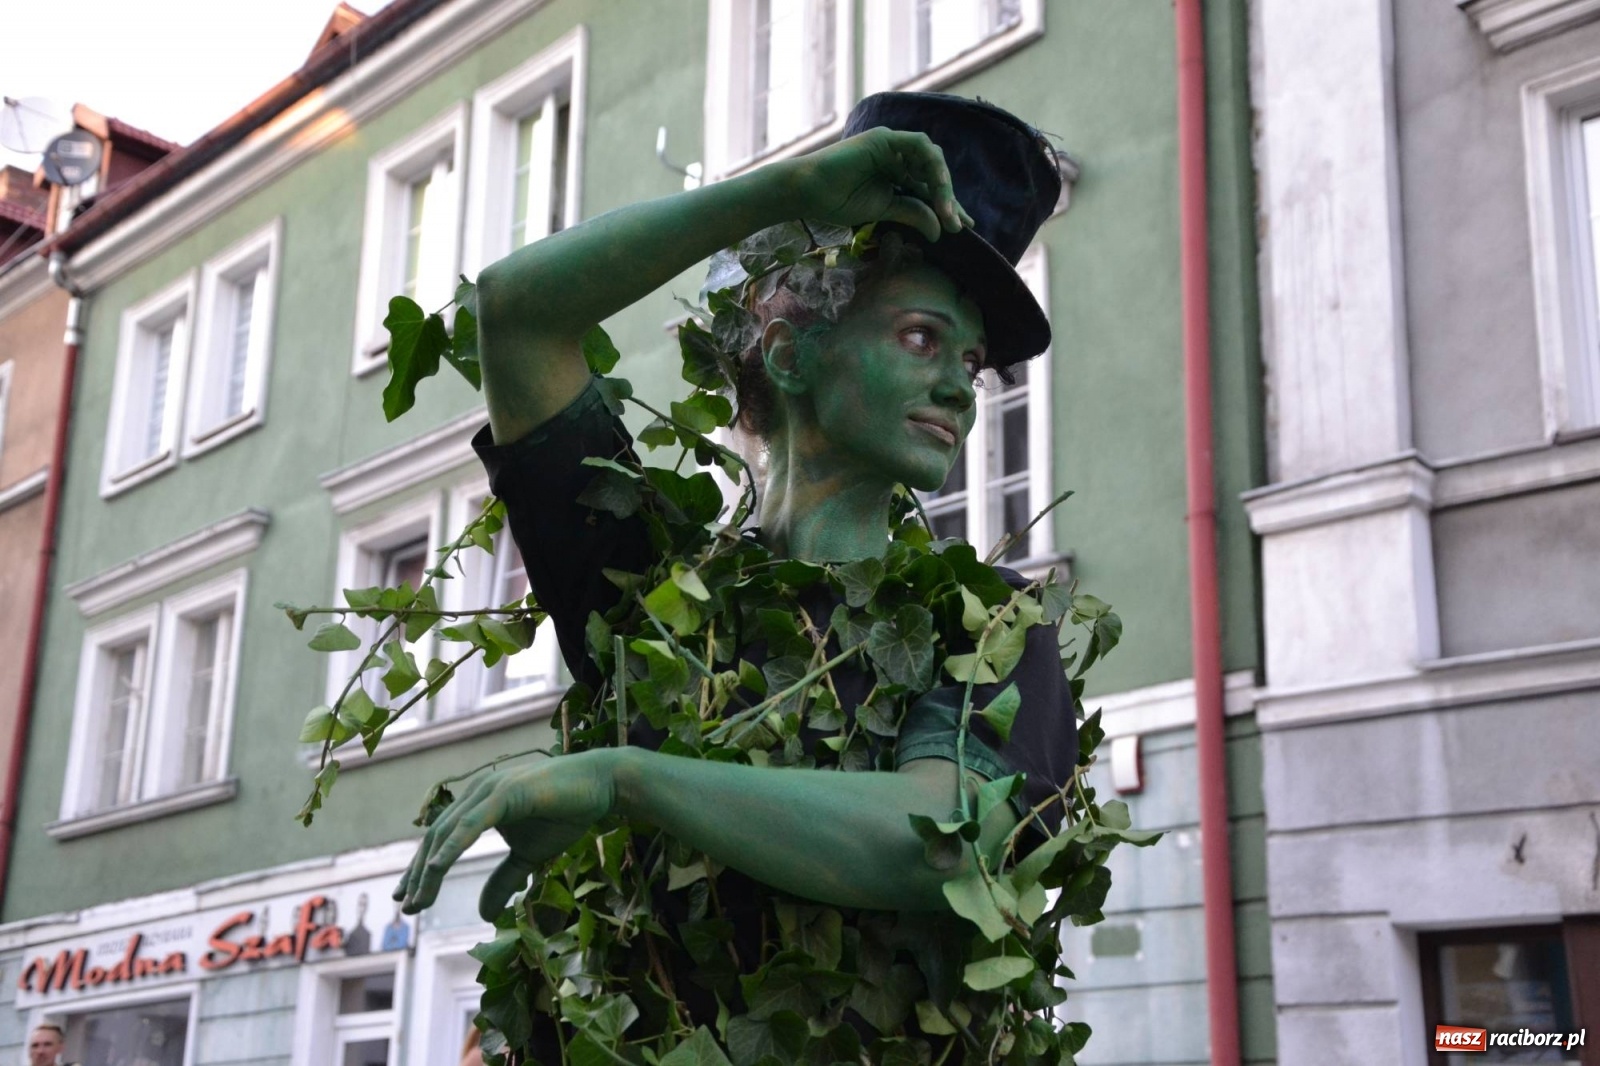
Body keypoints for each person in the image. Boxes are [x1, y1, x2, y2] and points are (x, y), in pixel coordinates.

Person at [394, 92, 1072, 1053]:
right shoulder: (653, 593)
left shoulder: (989, 625)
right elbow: (516, 318)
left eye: (973, 358)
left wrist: (625, 778)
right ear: (791, 352)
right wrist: (783, 193)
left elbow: (943, 835)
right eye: (922, 337)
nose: (963, 384)